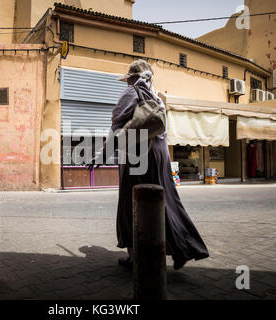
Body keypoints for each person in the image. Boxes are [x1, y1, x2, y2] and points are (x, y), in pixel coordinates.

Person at [87, 59, 209, 270]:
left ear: (131, 78)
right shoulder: (156, 96)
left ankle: (135, 257)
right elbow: (161, 128)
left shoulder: (130, 93)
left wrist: (101, 154)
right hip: (160, 154)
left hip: (138, 157)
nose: (127, 83)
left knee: (131, 203)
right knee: (167, 202)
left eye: (128, 79)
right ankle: (184, 247)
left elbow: (117, 127)